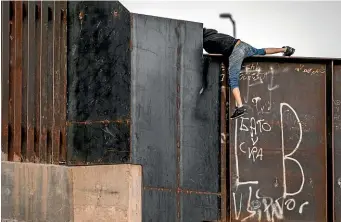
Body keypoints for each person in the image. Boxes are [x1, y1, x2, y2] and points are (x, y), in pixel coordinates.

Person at [203, 28, 295, 119]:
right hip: (243, 45)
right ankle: (285, 50)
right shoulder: (217, 35)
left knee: (233, 80)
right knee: (261, 51)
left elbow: (217, 52)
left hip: (236, 52)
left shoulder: (208, 41)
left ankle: (240, 107)